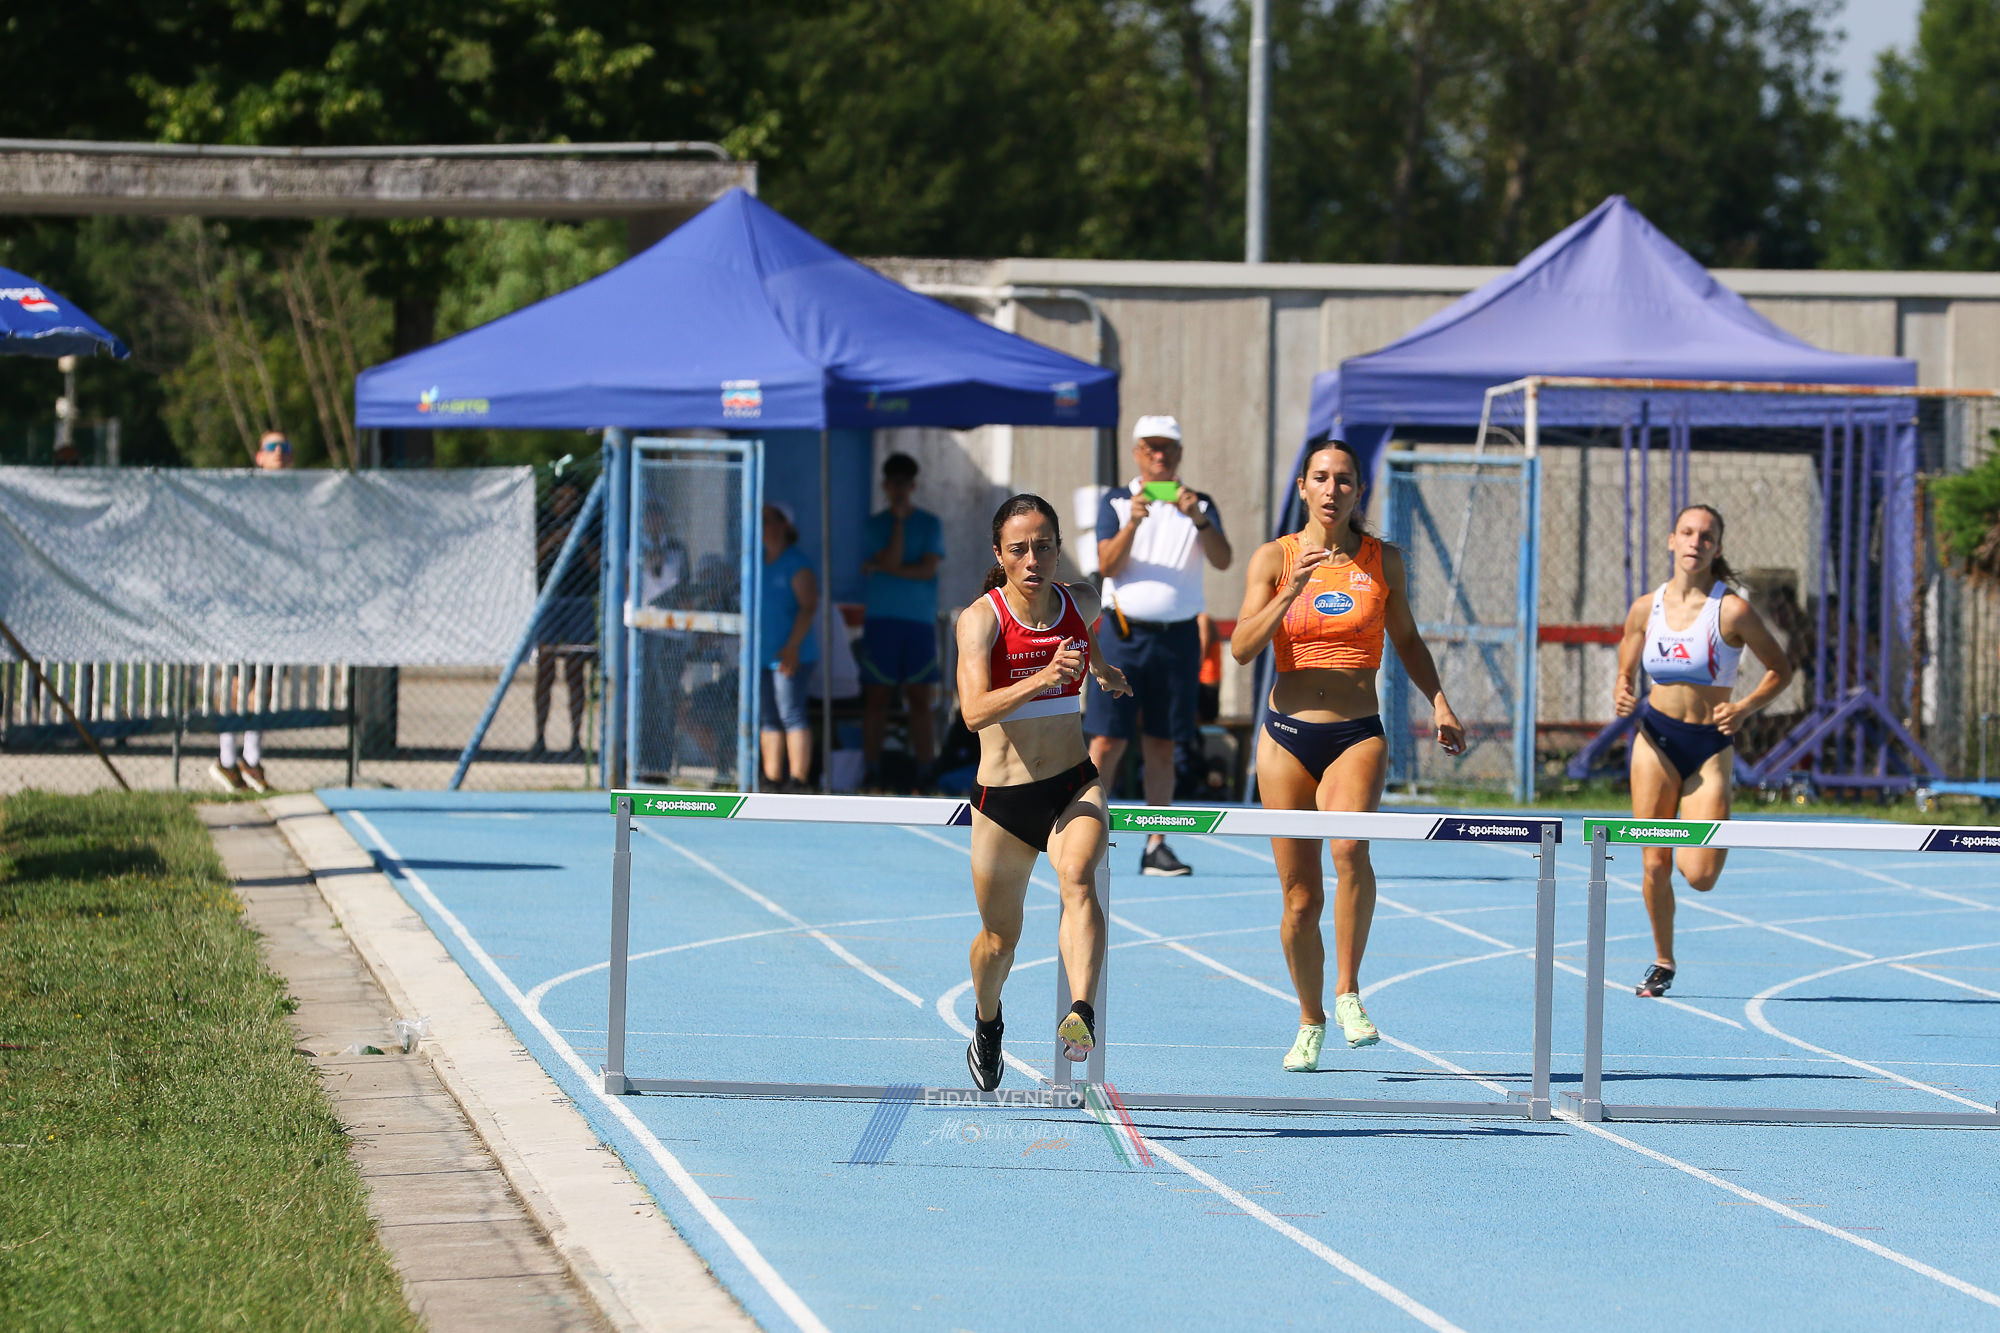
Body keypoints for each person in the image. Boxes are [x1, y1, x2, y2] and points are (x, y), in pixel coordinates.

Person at [1229, 438, 1465, 1071]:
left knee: (1350, 848)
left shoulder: (1383, 561)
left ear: (1359, 490)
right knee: (1299, 899)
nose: (1331, 489)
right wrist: (1288, 592)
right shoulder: (1273, 558)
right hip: (1285, 737)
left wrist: (1439, 701)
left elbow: (1407, 639)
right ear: (1303, 488)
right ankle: (1309, 1018)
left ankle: (1348, 992)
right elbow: (1242, 648)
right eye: (1321, 478)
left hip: (1356, 733)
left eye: (1343, 479)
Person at [956, 494, 1131, 1091]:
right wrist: (1043, 678)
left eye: (1044, 546)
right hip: (1004, 801)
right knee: (999, 941)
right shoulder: (981, 620)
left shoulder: (1081, 601)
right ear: (999, 554)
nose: (1033, 559)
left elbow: (1084, 632)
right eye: (1019, 549)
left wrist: (1099, 667)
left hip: (1071, 783)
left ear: (1058, 548)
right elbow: (973, 712)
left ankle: (1081, 1012)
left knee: (1079, 878)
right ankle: (988, 1021)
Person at [1612, 504, 1792, 998]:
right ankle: (1663, 960)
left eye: (1706, 536)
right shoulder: (1645, 607)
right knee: (1654, 862)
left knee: (1701, 876)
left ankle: (1713, 823)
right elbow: (1628, 649)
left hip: (1709, 746)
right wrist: (1623, 684)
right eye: (1687, 533)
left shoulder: (1730, 610)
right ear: (1672, 540)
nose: (1695, 542)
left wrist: (1746, 707)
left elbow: (1780, 669)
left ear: (1717, 548)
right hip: (1656, 739)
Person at [1088, 414, 1232, 877]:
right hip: (1122, 635)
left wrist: (1198, 519)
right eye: (1150, 447)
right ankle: (1086, 836)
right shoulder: (1115, 501)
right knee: (1106, 740)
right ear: (1136, 453)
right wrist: (1132, 522)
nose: (1159, 455)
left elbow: (1224, 559)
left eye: (1167, 447)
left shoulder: (1200, 503)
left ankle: (1156, 846)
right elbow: (1107, 565)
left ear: (1180, 453)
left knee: (1163, 744)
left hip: (1177, 638)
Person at [210, 429, 293, 792]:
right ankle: (226, 759)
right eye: (272, 447)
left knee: (266, 682)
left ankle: (251, 759)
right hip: (243, 603)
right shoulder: (246, 494)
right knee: (238, 681)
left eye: (284, 447)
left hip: (277, 605)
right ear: (259, 457)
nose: (279, 452)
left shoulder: (294, 499)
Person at [859, 453, 945, 788]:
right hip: (882, 621)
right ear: (884, 486)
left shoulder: (930, 524)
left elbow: (927, 569)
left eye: (904, 483)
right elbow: (897, 559)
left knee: (920, 698)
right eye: (893, 483)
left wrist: (883, 568)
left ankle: (925, 770)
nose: (898, 489)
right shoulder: (874, 525)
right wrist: (897, 523)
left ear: (912, 486)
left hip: (918, 622)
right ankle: (872, 769)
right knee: (876, 699)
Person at [531, 476, 599, 759]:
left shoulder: (589, 523)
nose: (564, 506)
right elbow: (531, 560)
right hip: (550, 600)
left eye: (570, 500)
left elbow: (597, 566)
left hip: (578, 600)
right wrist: (554, 540)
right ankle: (539, 738)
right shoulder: (543, 520)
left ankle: (576, 739)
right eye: (560, 499)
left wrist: (580, 539)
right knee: (545, 667)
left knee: (575, 671)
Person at [760, 501, 819, 790]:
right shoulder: (756, 560)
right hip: (761, 655)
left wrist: (793, 647)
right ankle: (772, 779)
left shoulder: (797, 563)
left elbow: (808, 607)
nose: (762, 527)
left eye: (768, 520)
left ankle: (798, 780)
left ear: (784, 525)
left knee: (791, 713)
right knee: (768, 717)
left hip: (791, 654)